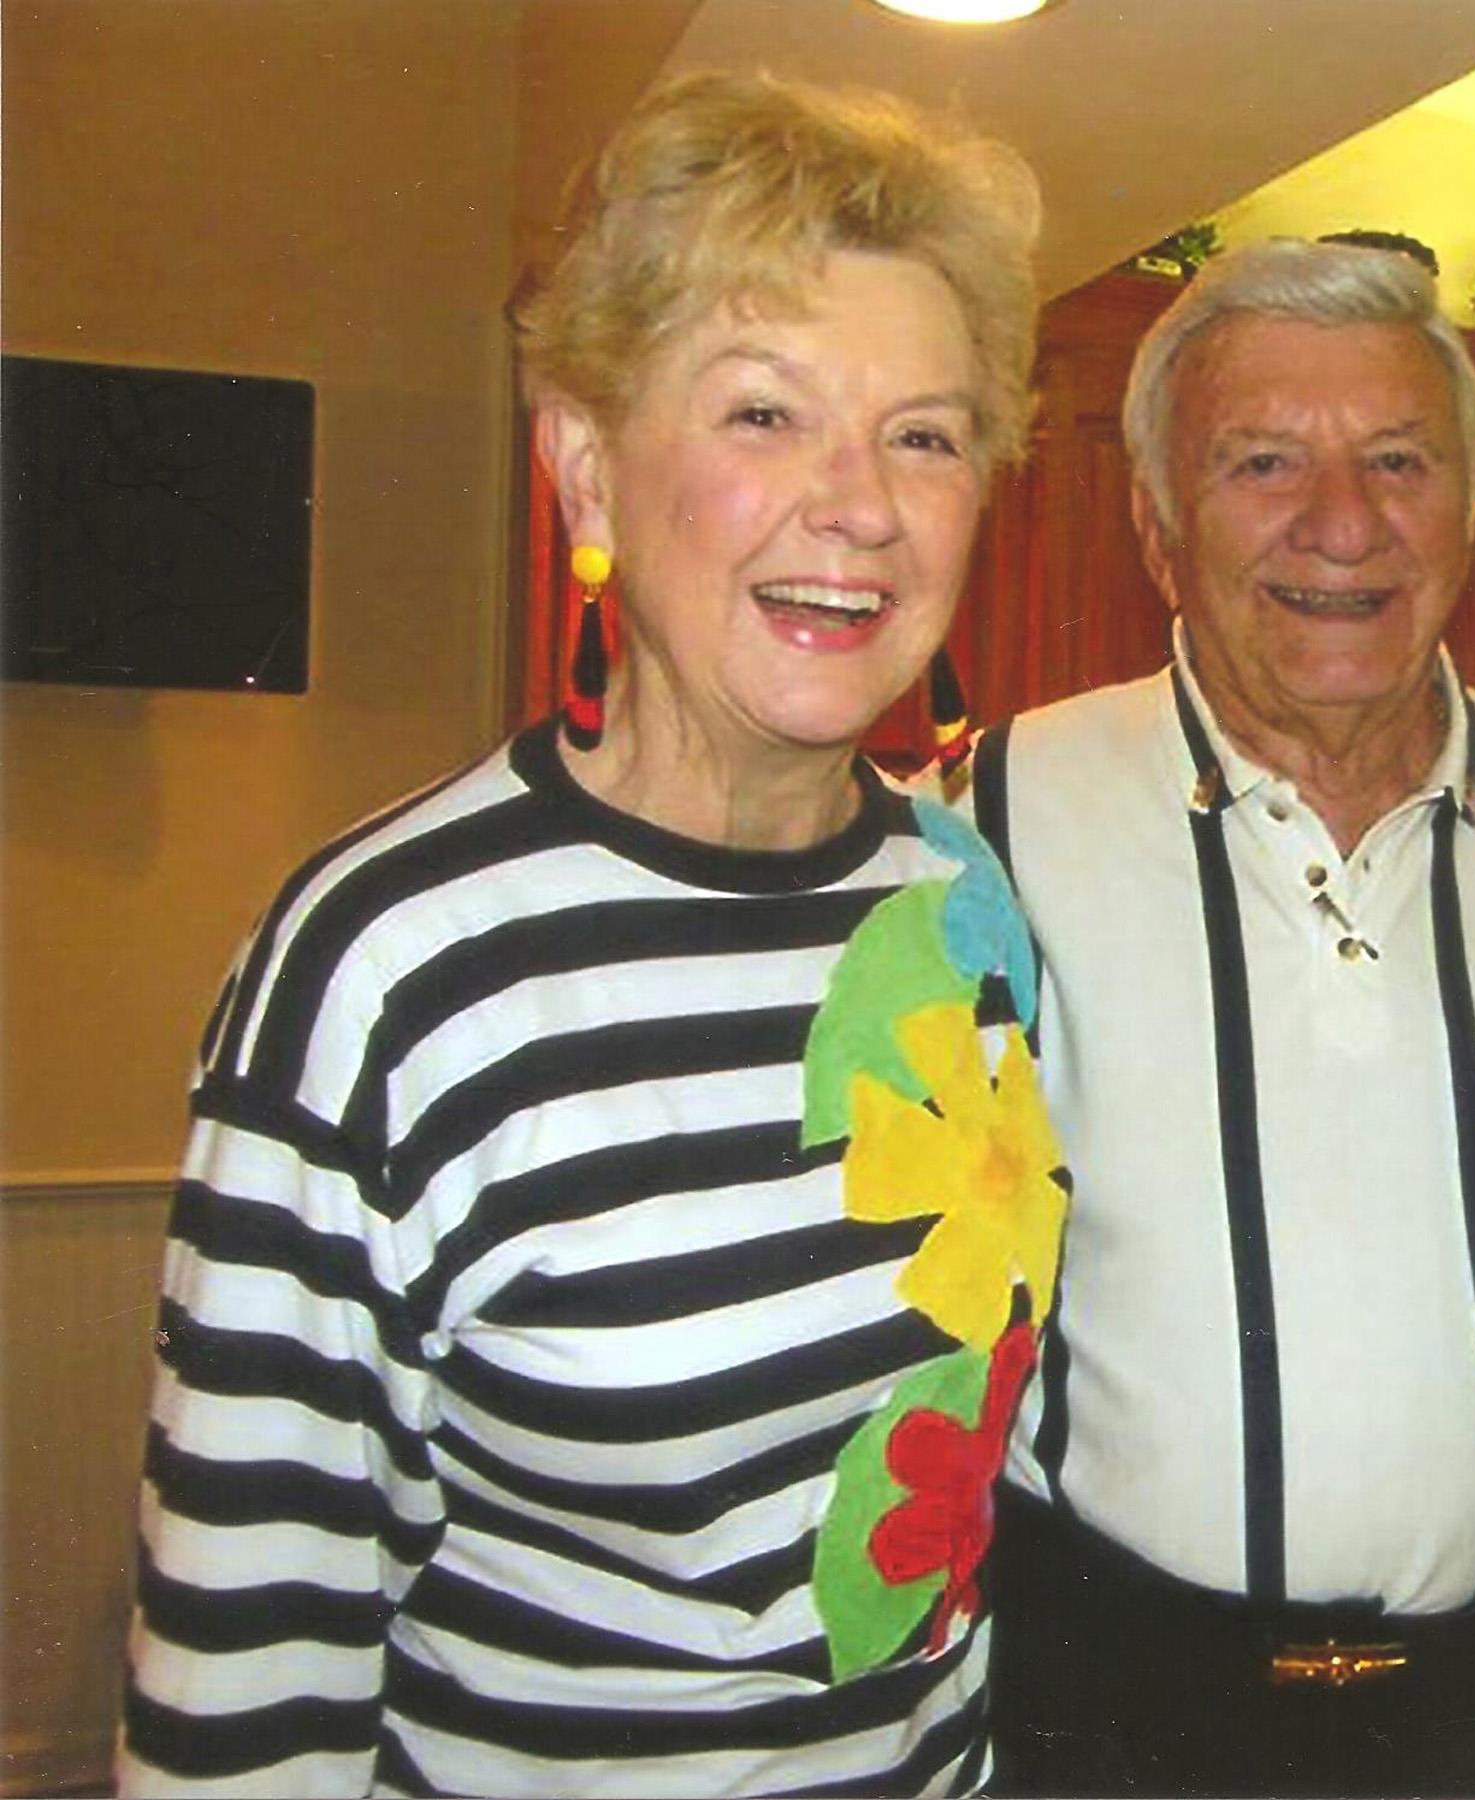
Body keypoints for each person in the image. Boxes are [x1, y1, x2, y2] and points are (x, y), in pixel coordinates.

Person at [118, 71, 1061, 1797]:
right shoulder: (385, 969)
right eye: (765, 414)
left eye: (923, 435)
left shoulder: (962, 906)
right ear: (584, 469)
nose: (859, 504)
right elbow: (244, 1683)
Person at [964, 238, 1475, 1798]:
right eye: (1262, 462)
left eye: (1397, 460)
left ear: (1466, 507)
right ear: (1158, 525)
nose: (1341, 523)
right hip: (1099, 1704)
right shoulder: (982, 827)